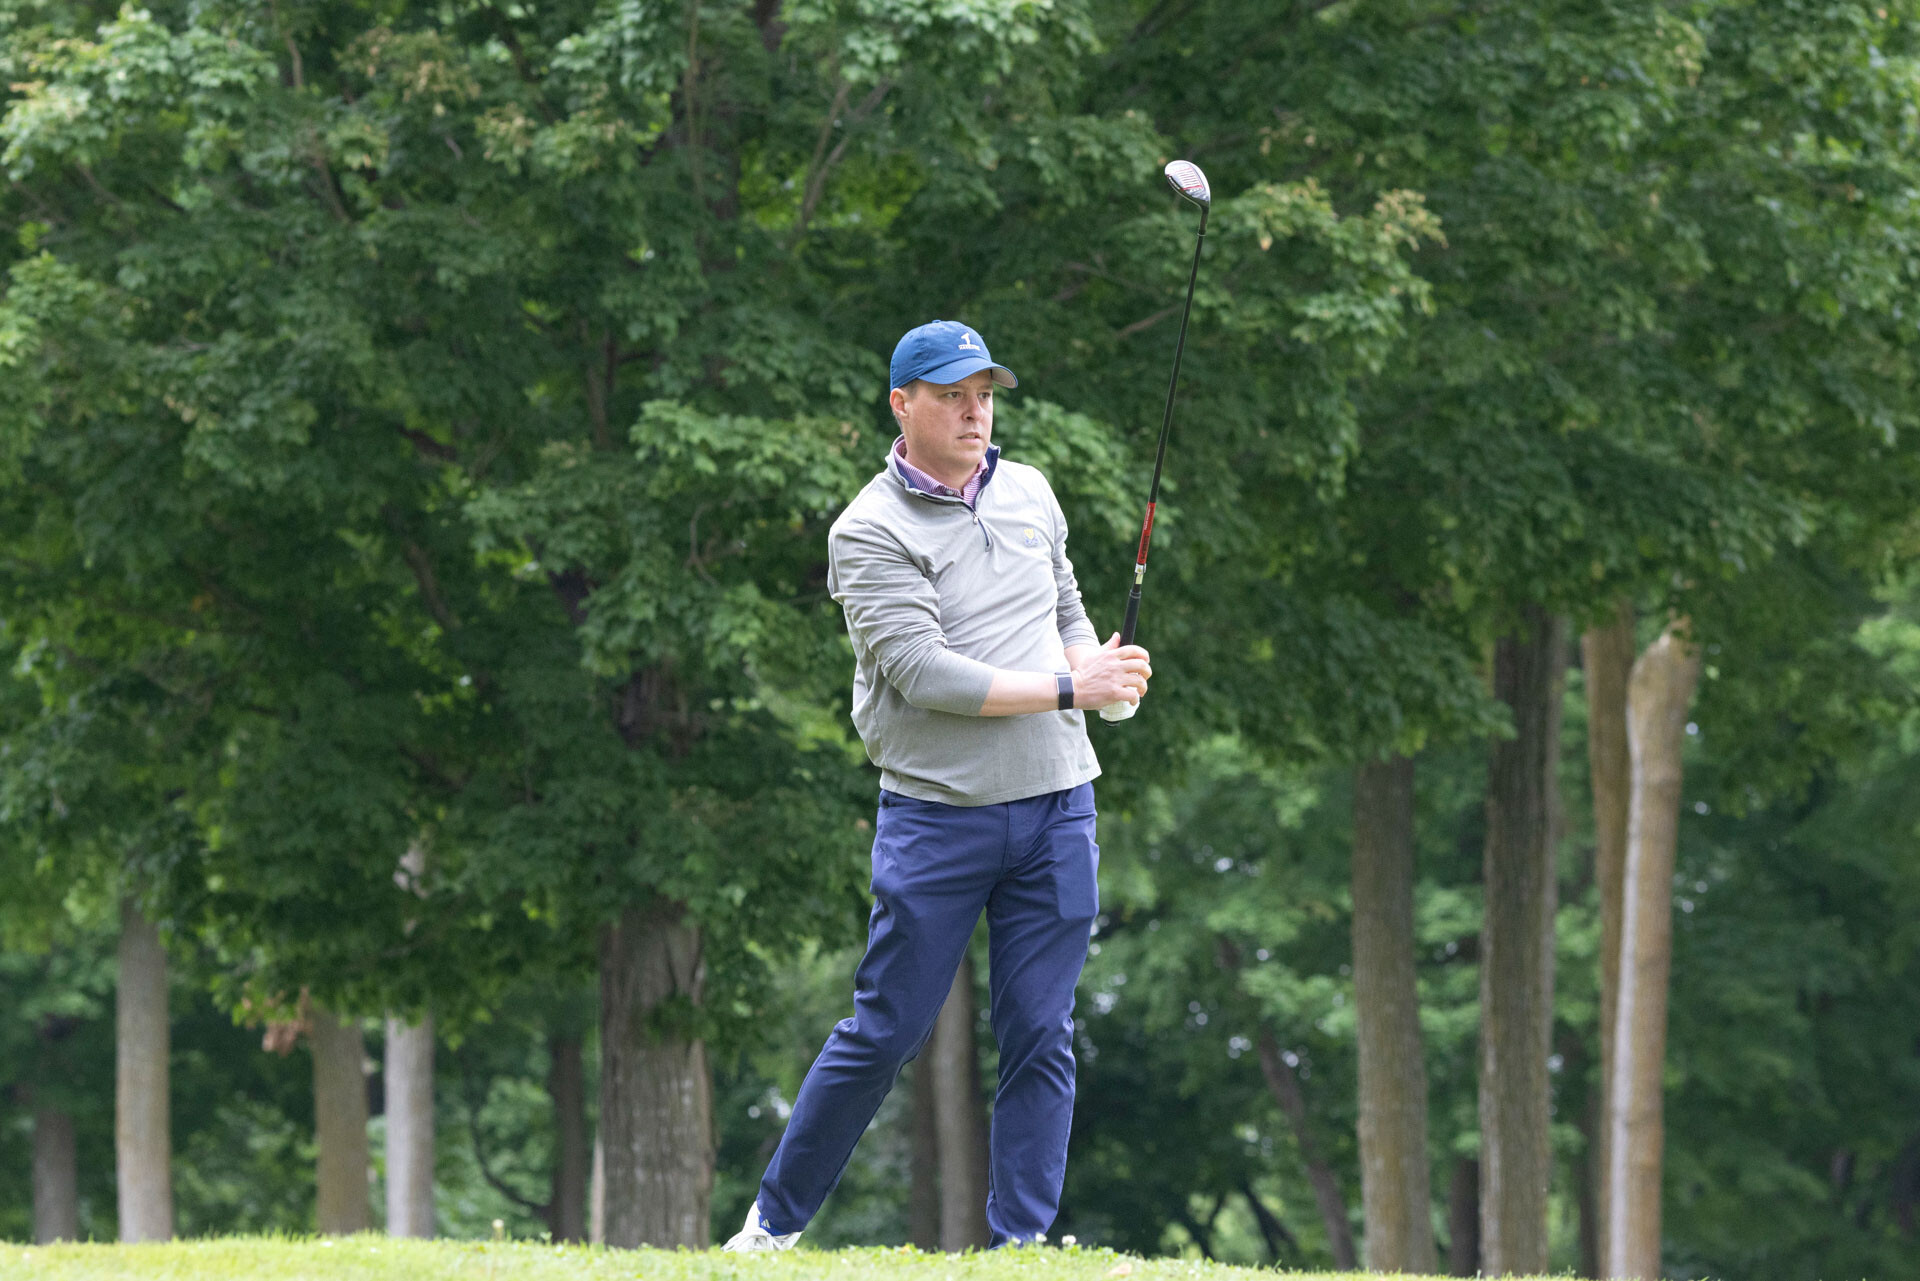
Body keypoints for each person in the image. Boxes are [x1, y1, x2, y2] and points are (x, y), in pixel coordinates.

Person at [723, 319, 1152, 1252]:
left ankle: (1022, 1246)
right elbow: (927, 675)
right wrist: (1072, 686)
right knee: (887, 1029)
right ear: (902, 404)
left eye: (984, 394)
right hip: (938, 816)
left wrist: (1101, 669)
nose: (974, 411)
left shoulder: (1031, 491)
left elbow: (1066, 608)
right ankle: (771, 1226)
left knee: (1041, 1028)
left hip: (1057, 803)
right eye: (953, 394)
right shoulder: (868, 530)